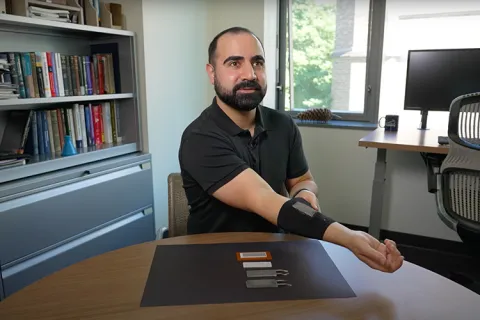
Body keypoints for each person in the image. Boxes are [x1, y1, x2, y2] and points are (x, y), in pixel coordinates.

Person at [178, 26, 403, 273]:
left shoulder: (282, 124)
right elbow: (265, 199)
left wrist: (304, 194)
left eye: (257, 63)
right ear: (212, 73)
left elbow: (303, 179)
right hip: (215, 262)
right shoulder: (199, 138)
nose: (249, 74)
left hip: (278, 253)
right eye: (234, 63)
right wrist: (349, 238)